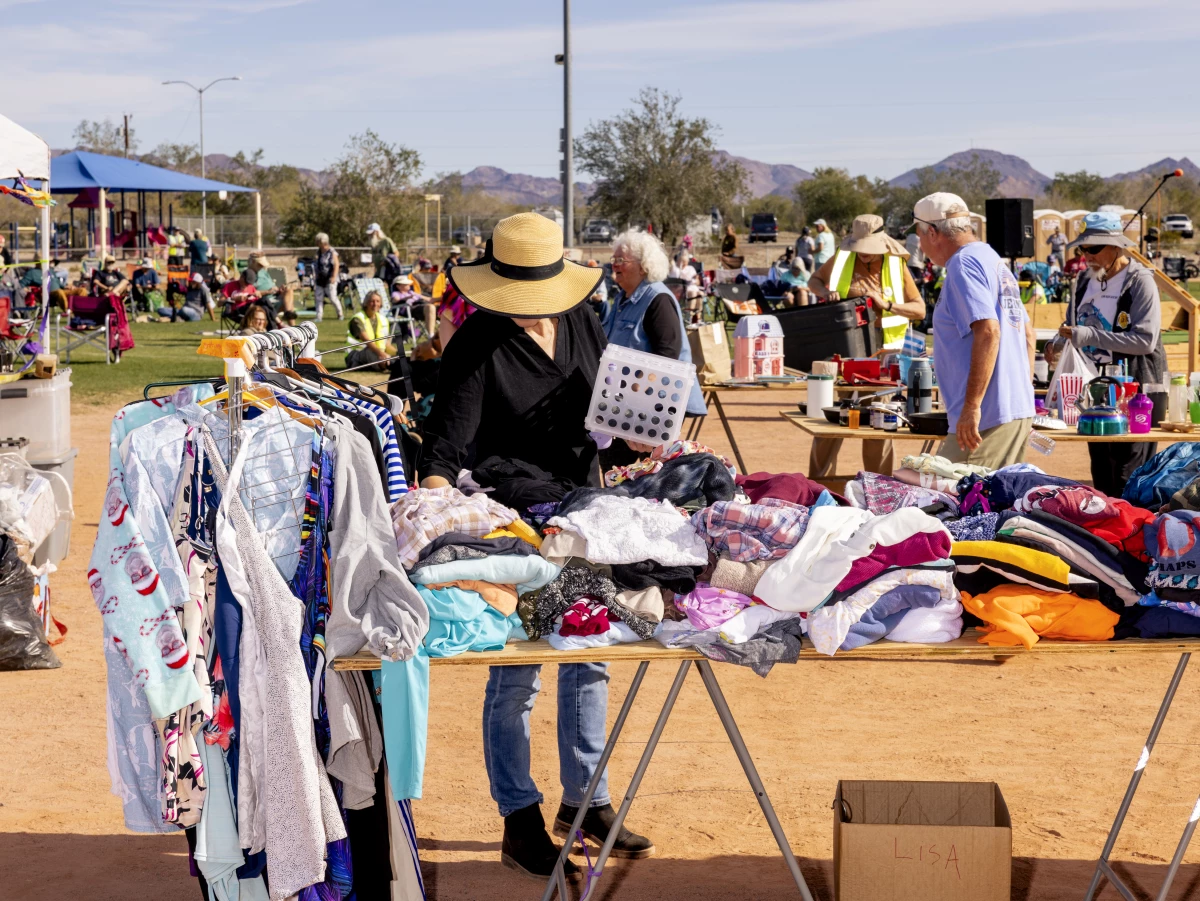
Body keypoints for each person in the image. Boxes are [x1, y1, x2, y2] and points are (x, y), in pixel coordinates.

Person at [418, 212, 653, 881]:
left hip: (585, 510)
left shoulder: (582, 316)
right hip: (517, 527)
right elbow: (444, 450)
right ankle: (518, 817)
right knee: (517, 669)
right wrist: (438, 521)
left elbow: (612, 405)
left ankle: (587, 802)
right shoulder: (476, 343)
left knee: (589, 655)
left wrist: (638, 435)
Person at [913, 192, 1035, 468]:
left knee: (960, 503)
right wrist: (1021, 397)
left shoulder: (962, 264)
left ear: (933, 233)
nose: (920, 243)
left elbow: (989, 331)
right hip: (1009, 410)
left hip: (986, 419)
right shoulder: (990, 258)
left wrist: (971, 407)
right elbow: (1026, 334)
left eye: (920, 235)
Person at [806, 214, 926, 476]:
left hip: (884, 353)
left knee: (880, 418)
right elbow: (813, 280)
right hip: (846, 351)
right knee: (832, 417)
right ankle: (819, 482)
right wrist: (826, 293)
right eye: (860, 249)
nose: (864, 255)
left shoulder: (896, 265)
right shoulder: (842, 259)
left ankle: (878, 483)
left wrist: (889, 306)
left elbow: (920, 310)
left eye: (869, 250)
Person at [1060, 211, 1168, 495]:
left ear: (1116, 247)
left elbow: (1145, 340)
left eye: (1094, 248)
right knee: (1102, 474)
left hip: (1134, 396)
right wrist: (1058, 344)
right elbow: (1073, 326)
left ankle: (1132, 536)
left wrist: (1088, 335)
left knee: (1129, 477)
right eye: (1083, 248)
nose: (1087, 254)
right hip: (1095, 393)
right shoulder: (1084, 281)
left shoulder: (1140, 281)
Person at [603, 229, 707, 423]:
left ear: (643, 267)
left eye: (621, 261)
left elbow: (667, 357)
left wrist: (634, 396)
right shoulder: (621, 300)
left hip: (655, 405)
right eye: (613, 259)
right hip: (625, 401)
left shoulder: (658, 299)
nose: (613, 265)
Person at [345, 290, 395, 371]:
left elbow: (387, 345)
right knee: (372, 352)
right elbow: (367, 341)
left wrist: (399, 354)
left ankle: (395, 366)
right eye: (372, 301)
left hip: (376, 354)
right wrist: (382, 354)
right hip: (355, 355)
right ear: (366, 303)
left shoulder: (383, 320)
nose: (375, 304)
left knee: (396, 357)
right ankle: (392, 366)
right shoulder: (357, 319)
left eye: (378, 301)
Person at [245, 252, 297, 324]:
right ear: (253, 262)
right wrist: (267, 292)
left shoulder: (263, 272)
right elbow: (248, 293)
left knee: (288, 290)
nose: (262, 267)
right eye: (260, 265)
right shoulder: (247, 275)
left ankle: (288, 314)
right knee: (289, 305)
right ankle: (292, 326)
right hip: (263, 302)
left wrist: (279, 290)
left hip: (274, 296)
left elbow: (271, 285)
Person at [312, 232, 344, 321]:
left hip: (330, 278)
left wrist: (334, 276)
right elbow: (316, 265)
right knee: (319, 298)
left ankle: (340, 313)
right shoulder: (318, 252)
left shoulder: (332, 252)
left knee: (332, 297)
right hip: (320, 278)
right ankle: (319, 316)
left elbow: (336, 265)